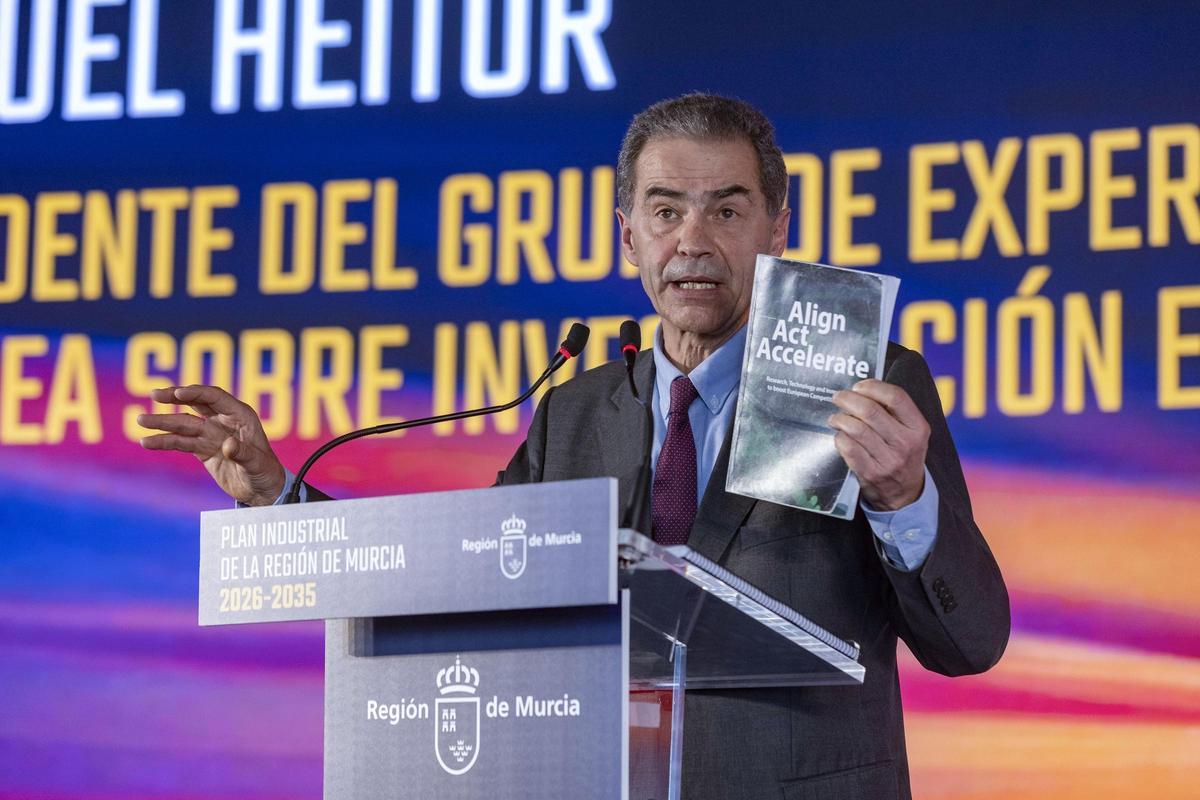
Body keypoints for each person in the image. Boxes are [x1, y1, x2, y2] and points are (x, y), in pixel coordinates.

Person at [141, 93, 1009, 800]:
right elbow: (459, 586)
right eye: (665, 211)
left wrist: (905, 501)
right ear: (628, 234)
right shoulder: (575, 412)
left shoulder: (862, 383)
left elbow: (970, 643)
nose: (693, 242)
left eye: (727, 210)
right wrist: (277, 496)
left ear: (777, 229)